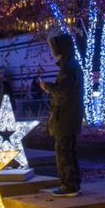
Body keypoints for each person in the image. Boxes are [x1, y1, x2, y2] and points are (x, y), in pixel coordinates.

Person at [41, 32, 84, 197]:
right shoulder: (74, 65)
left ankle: (68, 186)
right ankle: (74, 184)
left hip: (64, 117)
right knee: (70, 151)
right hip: (71, 116)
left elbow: (64, 91)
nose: (53, 51)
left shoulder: (67, 68)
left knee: (63, 152)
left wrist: (47, 87)